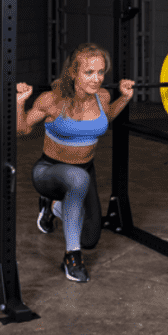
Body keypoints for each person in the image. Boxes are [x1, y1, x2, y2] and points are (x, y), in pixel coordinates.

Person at [16, 43, 134, 283]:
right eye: (88, 73)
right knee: (78, 180)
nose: (96, 79)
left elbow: (106, 117)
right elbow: (23, 129)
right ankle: (72, 257)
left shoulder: (102, 97)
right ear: (73, 72)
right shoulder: (51, 100)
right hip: (48, 171)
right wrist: (19, 103)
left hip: (84, 169)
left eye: (100, 72)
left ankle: (51, 209)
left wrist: (124, 98)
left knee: (90, 238)